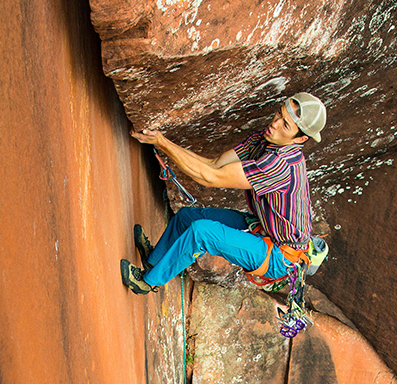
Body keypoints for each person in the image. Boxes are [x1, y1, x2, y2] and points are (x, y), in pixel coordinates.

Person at [121, 93, 326, 294]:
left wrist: (161, 142)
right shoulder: (264, 140)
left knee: (201, 233)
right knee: (187, 217)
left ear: (300, 138)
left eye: (286, 125)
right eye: (279, 114)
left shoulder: (280, 165)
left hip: (281, 256)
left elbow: (210, 178)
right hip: (263, 229)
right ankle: (154, 261)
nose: (275, 123)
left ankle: (148, 282)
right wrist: (161, 142)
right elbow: (215, 164)